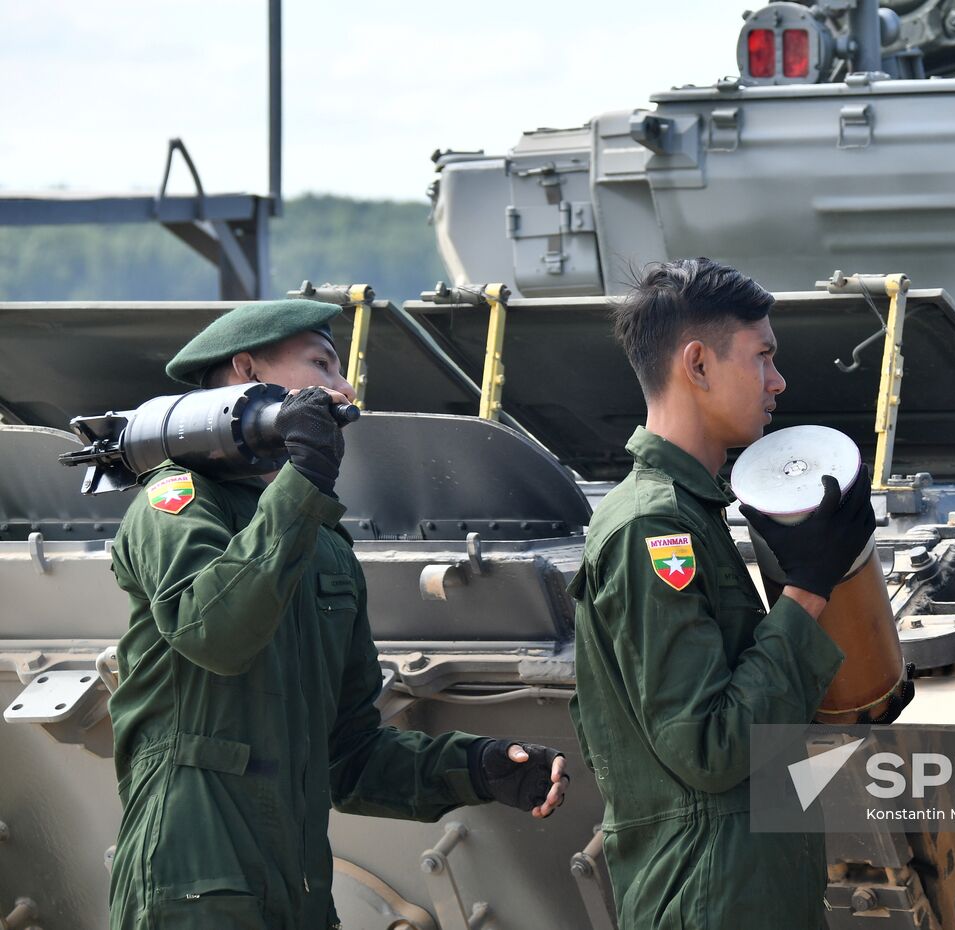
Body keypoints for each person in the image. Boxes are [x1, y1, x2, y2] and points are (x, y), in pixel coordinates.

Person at [106, 299, 569, 930]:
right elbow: (212, 632)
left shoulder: (322, 539)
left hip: (297, 895)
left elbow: (347, 757)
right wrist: (304, 481)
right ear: (248, 372)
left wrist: (477, 766)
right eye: (321, 364)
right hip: (191, 890)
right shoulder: (177, 501)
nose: (343, 387)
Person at [567, 258, 876, 928]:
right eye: (763, 357)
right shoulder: (655, 528)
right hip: (710, 899)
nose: (778, 381)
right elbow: (709, 746)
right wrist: (807, 592)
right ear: (699, 364)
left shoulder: (688, 515)